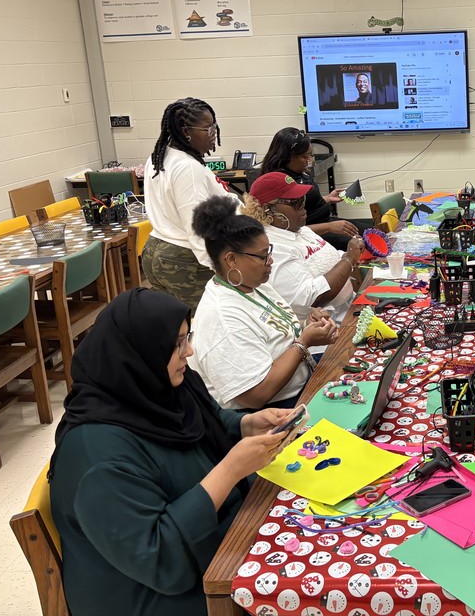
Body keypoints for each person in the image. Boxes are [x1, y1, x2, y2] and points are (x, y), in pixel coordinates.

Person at [49, 288, 297, 616]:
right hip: (147, 594)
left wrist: (246, 424)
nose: (190, 351)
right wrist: (230, 470)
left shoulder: (156, 386)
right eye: (179, 343)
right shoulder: (98, 457)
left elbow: (204, 422)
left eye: (187, 337)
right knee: (296, 584)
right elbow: (161, 560)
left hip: (203, 545)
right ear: (141, 352)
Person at [189, 195, 339, 410]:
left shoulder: (253, 284)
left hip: (302, 387)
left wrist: (308, 326)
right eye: (262, 256)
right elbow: (254, 396)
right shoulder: (222, 317)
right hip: (272, 413)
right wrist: (303, 342)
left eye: (269, 252)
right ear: (231, 259)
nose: (270, 261)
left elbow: (275, 337)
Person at [142, 97, 236, 312]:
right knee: (206, 323)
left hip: (156, 251)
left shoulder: (160, 156)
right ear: (186, 131)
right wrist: (218, 268)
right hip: (183, 259)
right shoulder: (187, 167)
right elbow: (197, 225)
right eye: (207, 128)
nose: (214, 133)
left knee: (175, 327)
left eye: (214, 126)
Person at [241, 172, 363, 327]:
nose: (303, 207)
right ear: (267, 209)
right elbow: (311, 298)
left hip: (349, 310)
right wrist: (349, 259)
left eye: (303, 200)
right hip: (328, 329)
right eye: (295, 202)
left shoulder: (300, 230)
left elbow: (326, 257)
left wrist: (349, 255)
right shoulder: (271, 247)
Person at [260, 127, 372, 251]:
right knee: (364, 244)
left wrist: (327, 198)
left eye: (310, 154)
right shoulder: (278, 182)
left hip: (326, 222)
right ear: (288, 156)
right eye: (305, 156)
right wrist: (329, 227)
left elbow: (306, 202)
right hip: (311, 233)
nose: (309, 160)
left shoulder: (299, 171)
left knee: (373, 233)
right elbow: (288, 231)